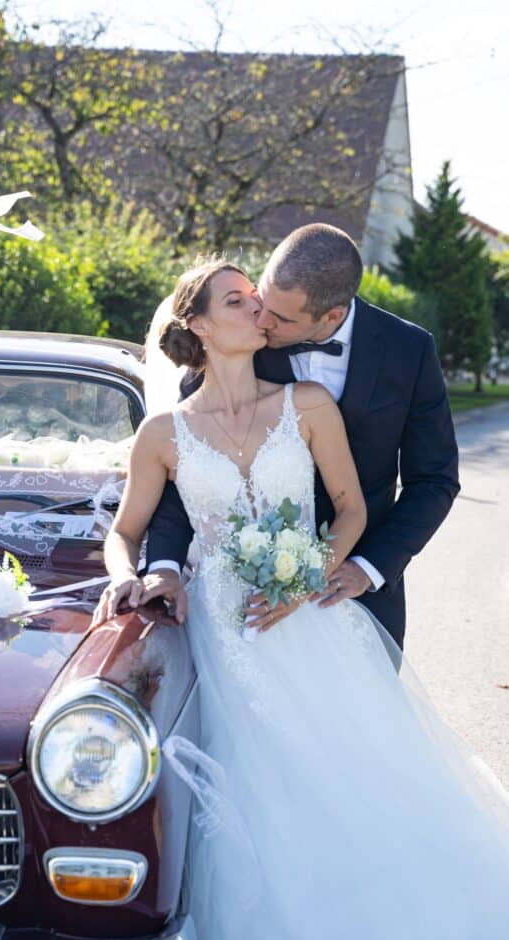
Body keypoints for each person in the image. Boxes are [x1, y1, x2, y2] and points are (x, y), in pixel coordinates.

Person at [92, 256, 509, 940]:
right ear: (196, 325)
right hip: (221, 630)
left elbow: (353, 506)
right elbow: (127, 530)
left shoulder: (309, 400)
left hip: (314, 612)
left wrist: (313, 571)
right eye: (238, 300)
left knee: (355, 777)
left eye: (260, 300)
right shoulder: (164, 429)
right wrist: (139, 576)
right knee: (256, 792)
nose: (257, 311)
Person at [141, 224, 460, 649]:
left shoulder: (410, 351)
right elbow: (186, 472)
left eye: (282, 317)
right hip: (248, 602)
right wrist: (163, 564)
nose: (262, 319)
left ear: (331, 315)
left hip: (357, 591)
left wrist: (369, 566)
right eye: (262, 299)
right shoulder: (237, 345)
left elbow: (435, 480)